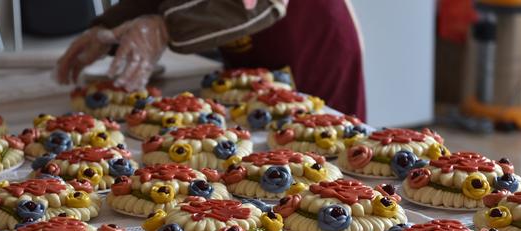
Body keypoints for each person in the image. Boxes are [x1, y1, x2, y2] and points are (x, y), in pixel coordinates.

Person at [56, 0, 366, 120]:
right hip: (238, 40)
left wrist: (165, 28)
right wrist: (107, 27)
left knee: (329, 150)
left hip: (307, 35)